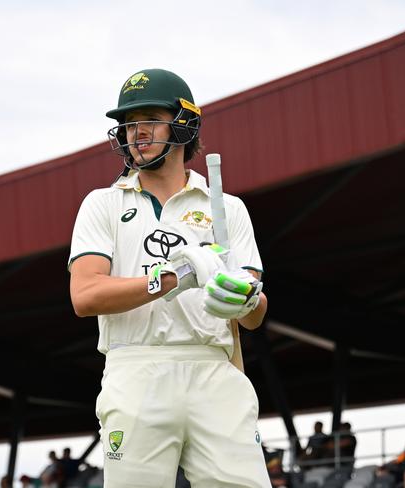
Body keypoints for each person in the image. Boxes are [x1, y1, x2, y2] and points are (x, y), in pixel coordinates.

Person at [68, 68, 270, 487]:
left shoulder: (227, 208)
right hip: (136, 368)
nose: (135, 133)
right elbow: (85, 295)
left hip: (214, 367)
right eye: (128, 124)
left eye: (149, 120)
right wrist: (176, 276)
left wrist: (243, 299)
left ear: (183, 124)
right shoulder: (102, 204)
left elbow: (253, 317)